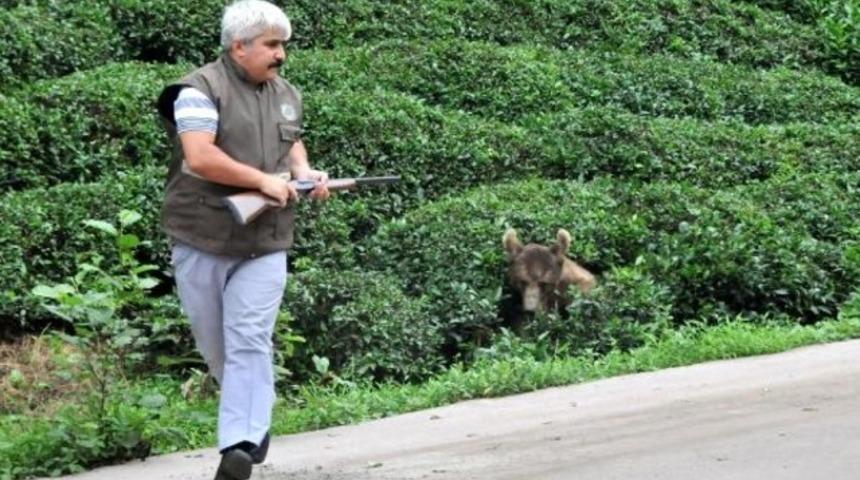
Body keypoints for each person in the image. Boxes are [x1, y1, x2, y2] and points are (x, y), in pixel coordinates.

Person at [155, 1, 329, 479]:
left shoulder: (286, 92)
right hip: (202, 235)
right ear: (239, 46)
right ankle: (254, 416)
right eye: (272, 45)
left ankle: (240, 444)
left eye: (282, 45)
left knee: (249, 337)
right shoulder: (197, 91)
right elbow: (200, 158)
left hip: (266, 239)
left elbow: (290, 139)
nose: (281, 56)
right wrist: (261, 181)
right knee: (217, 347)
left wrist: (303, 174)